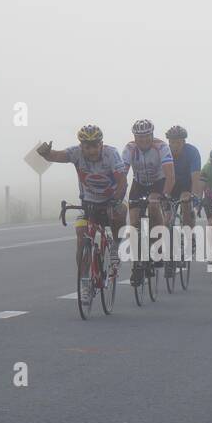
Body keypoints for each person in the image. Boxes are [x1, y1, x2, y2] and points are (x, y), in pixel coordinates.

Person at [36, 125, 128, 302]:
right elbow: (57, 156)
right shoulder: (76, 153)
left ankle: (115, 246)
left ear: (101, 144)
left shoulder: (111, 154)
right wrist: (46, 154)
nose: (92, 150)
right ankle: (85, 281)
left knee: (121, 211)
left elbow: (122, 182)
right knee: (81, 235)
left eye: (95, 146)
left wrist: (115, 202)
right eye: (88, 146)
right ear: (81, 146)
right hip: (89, 202)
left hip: (112, 198)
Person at [122, 119, 175, 286]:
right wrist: (118, 194)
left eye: (146, 136)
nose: (143, 140)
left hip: (158, 183)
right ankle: (136, 266)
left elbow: (171, 176)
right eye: (139, 137)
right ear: (134, 137)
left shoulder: (161, 147)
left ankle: (158, 245)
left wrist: (164, 194)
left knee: (153, 206)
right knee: (133, 223)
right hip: (138, 184)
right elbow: (122, 175)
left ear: (152, 135)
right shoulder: (129, 149)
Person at [165, 125, 201, 277]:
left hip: (186, 185)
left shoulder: (192, 152)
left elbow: (196, 177)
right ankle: (168, 254)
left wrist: (194, 195)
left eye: (178, 142)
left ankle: (189, 235)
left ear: (184, 142)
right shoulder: (164, 152)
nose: (174, 146)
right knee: (167, 219)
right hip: (170, 185)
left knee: (186, 204)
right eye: (172, 142)